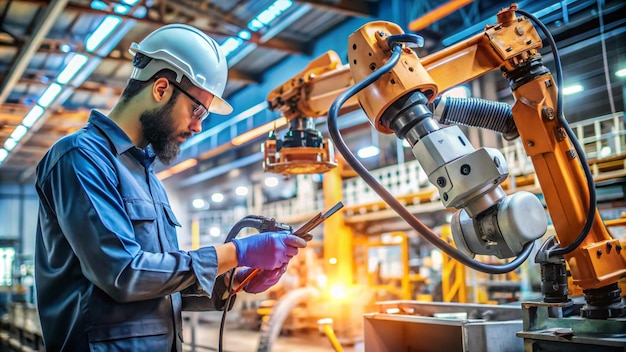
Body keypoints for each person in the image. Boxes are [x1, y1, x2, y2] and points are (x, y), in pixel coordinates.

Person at [34, 23, 307, 351]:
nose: (198, 125)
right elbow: (124, 274)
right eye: (198, 109)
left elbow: (159, 285)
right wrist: (236, 251)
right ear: (161, 88)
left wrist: (234, 279)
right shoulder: (79, 159)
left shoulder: (147, 177)